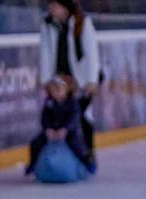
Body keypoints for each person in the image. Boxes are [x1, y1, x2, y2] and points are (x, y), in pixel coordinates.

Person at [39, 0, 100, 162]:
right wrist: (46, 80)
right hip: (61, 77)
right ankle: (64, 156)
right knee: (59, 114)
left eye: (54, 5)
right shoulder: (47, 24)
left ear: (64, 7)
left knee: (83, 114)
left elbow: (91, 52)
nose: (50, 8)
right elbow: (45, 52)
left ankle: (88, 152)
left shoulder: (82, 22)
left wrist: (91, 80)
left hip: (82, 77)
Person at [26, 75, 94, 175]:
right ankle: (32, 163)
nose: (56, 93)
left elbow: (74, 118)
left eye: (59, 90)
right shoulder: (49, 102)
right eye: (53, 91)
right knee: (36, 143)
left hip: (69, 132)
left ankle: (86, 162)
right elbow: (45, 118)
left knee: (76, 145)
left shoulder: (72, 103)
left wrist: (65, 129)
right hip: (52, 131)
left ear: (66, 90)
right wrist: (48, 129)